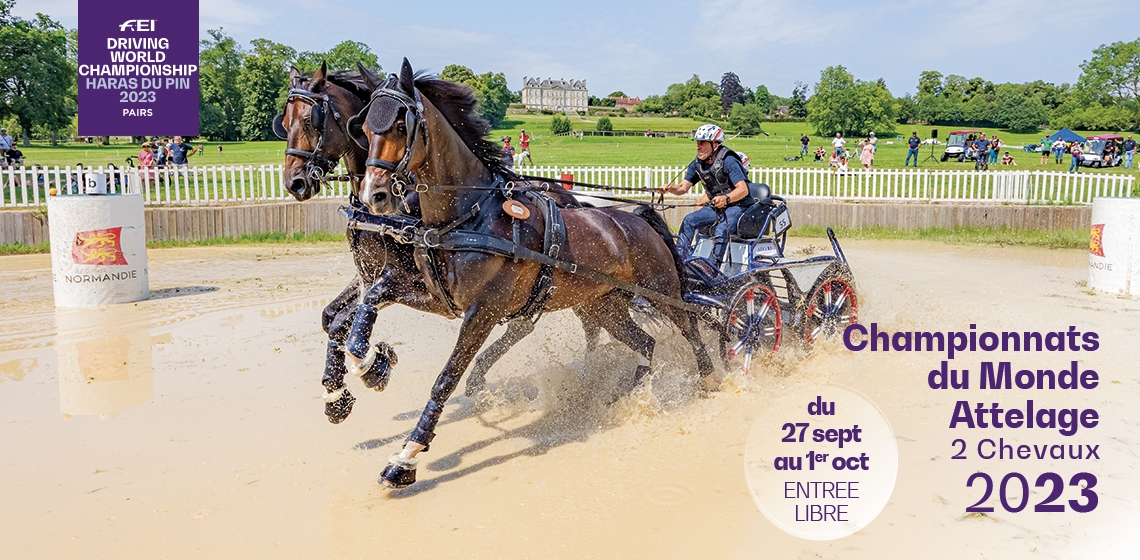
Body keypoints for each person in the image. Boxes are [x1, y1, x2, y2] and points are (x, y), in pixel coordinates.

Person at [660, 124, 753, 261]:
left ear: (715, 144)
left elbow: (743, 189)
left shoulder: (729, 160)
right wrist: (670, 189)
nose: (698, 147)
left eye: (702, 143)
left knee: (721, 230)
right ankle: (679, 261)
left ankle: (713, 269)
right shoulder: (698, 163)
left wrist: (726, 198)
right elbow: (683, 187)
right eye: (697, 143)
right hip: (716, 208)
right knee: (689, 220)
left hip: (738, 207)